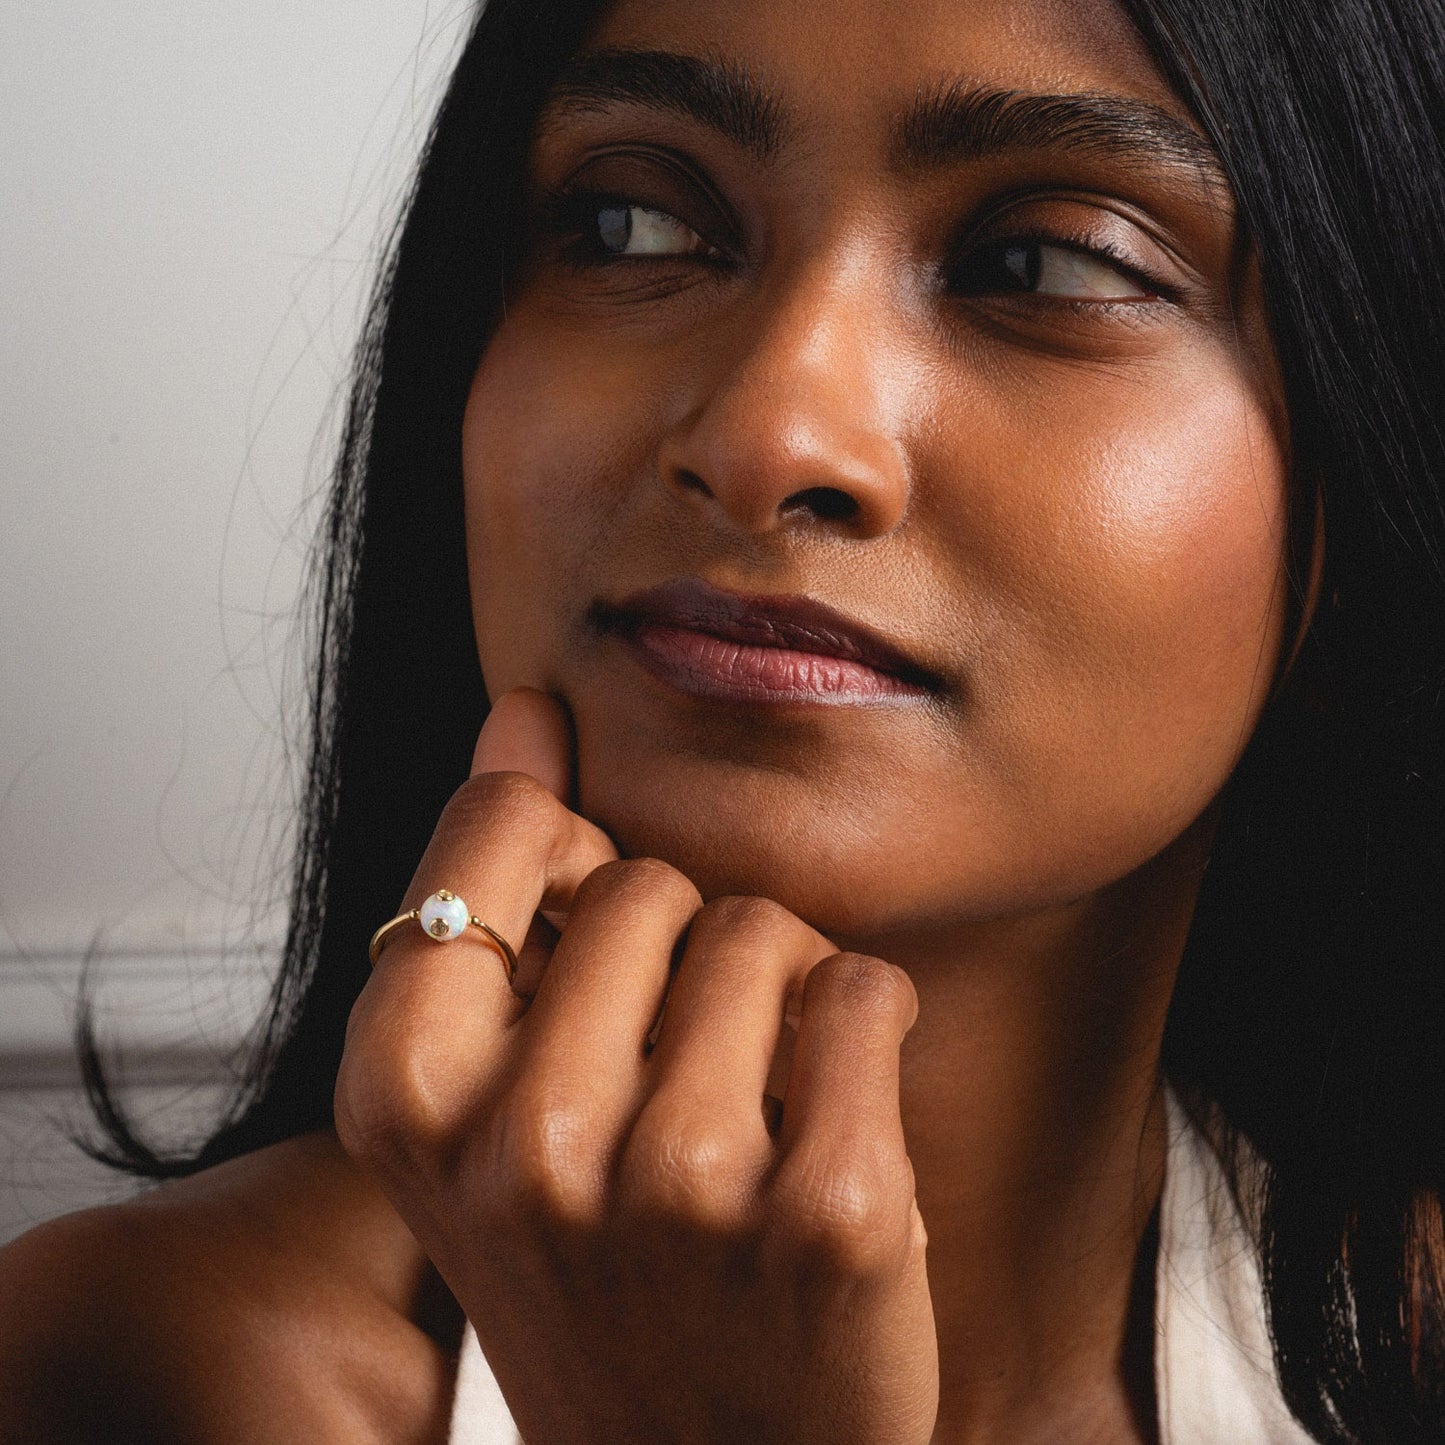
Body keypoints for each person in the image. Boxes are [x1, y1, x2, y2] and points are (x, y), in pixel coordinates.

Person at [1, 0, 1441, 1438]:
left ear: (1361, 482)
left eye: (1041, 263)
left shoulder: (1411, 1345)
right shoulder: (166, 1370)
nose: (771, 433)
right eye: (629, 225)